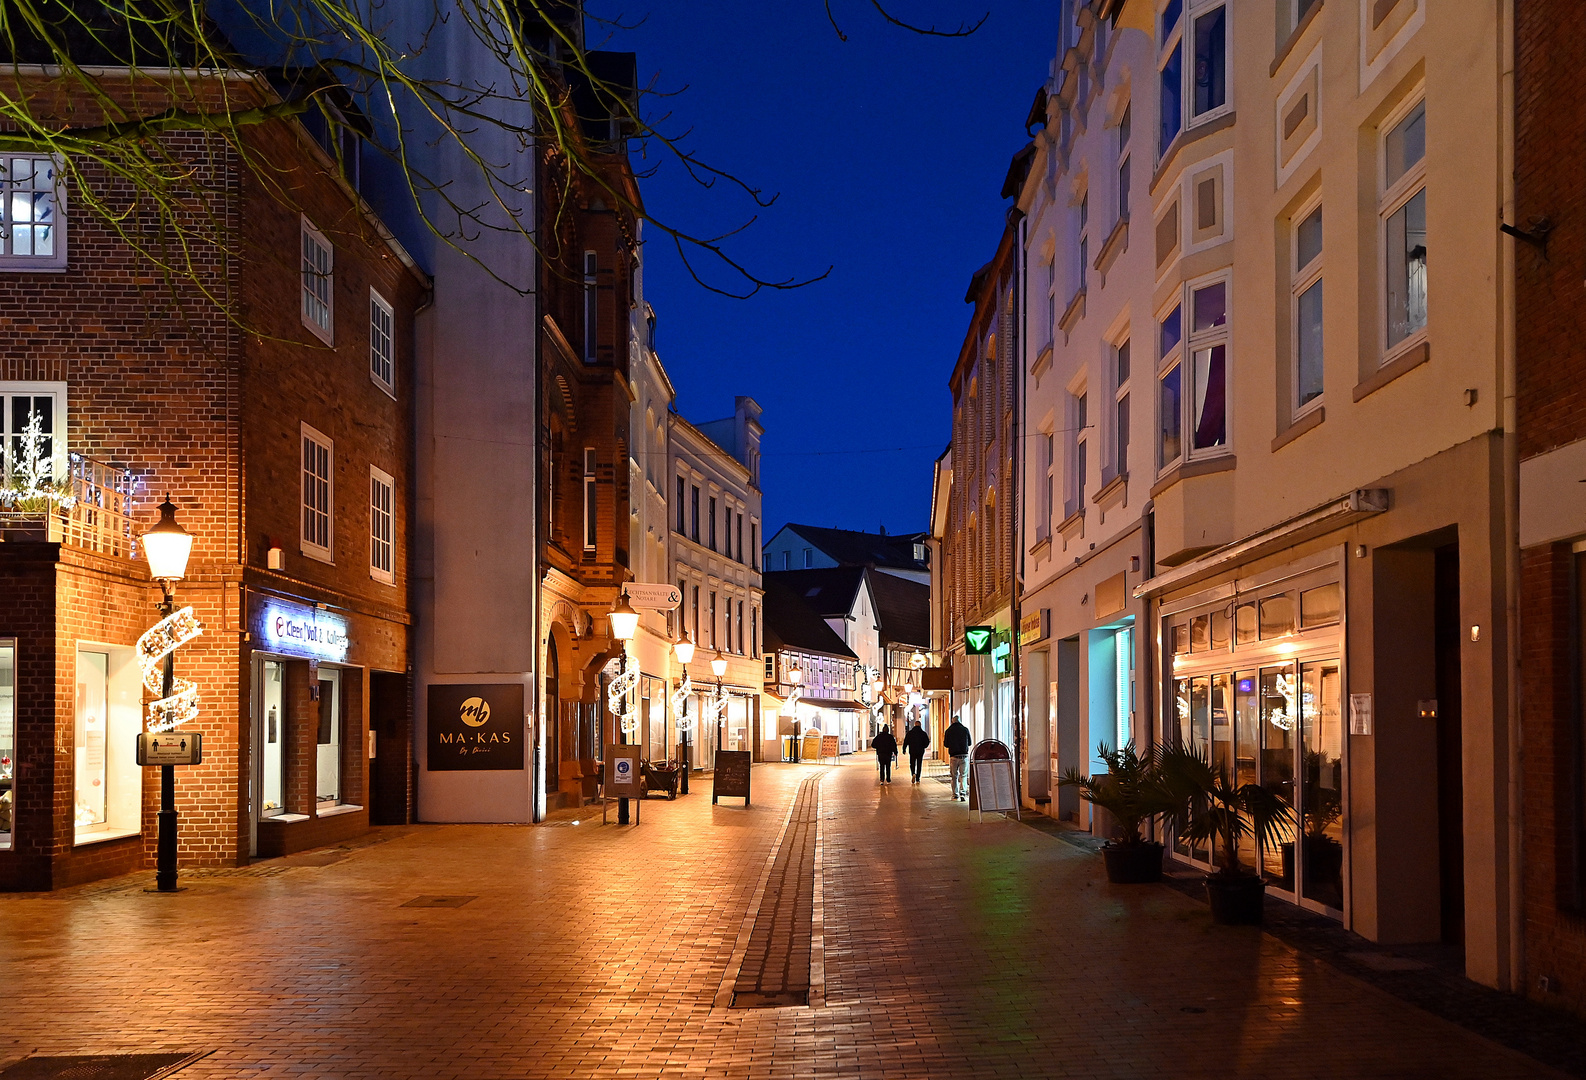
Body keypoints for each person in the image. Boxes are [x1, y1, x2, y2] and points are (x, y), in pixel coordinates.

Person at [944, 716, 972, 801]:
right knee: (963, 775)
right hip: (964, 756)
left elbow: (946, 744)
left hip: (954, 756)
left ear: (952, 721)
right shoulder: (965, 729)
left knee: (954, 776)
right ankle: (963, 793)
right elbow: (970, 743)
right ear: (960, 721)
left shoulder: (948, 731)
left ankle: (955, 795)